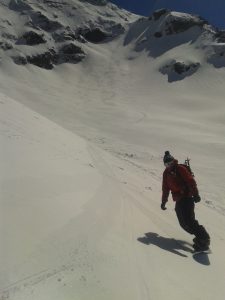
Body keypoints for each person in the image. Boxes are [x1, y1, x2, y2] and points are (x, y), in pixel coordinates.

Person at [161, 151, 210, 251]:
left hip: (187, 197)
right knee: (183, 223)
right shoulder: (166, 173)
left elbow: (191, 181)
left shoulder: (180, 168)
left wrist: (195, 194)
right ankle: (199, 236)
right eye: (166, 164)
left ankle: (204, 239)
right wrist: (163, 201)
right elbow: (165, 188)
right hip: (178, 199)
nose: (169, 165)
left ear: (173, 161)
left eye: (170, 163)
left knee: (189, 220)